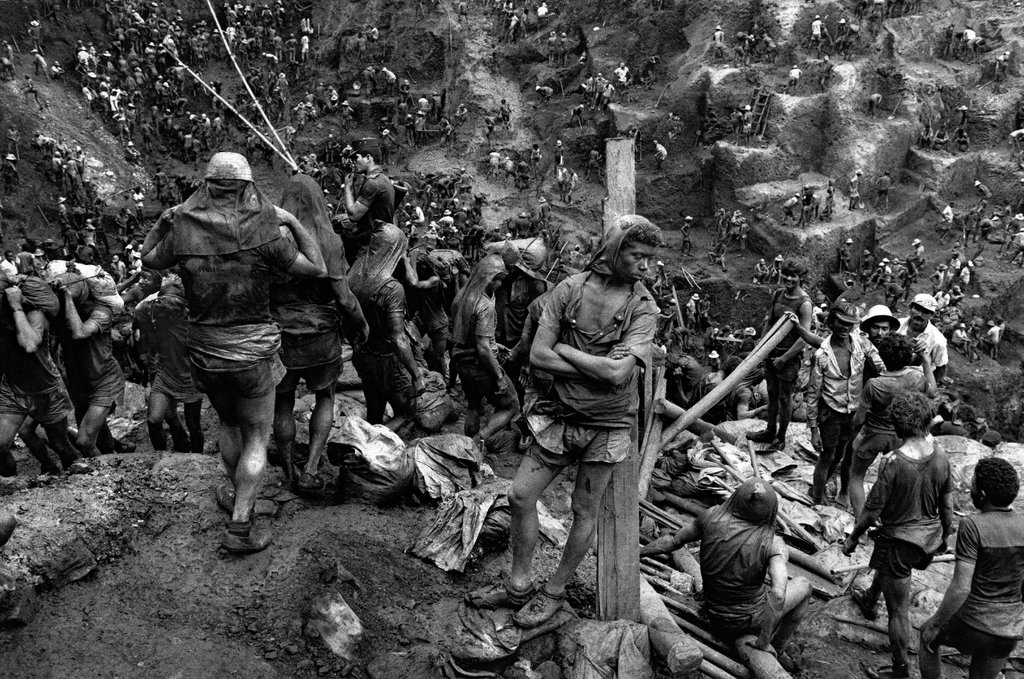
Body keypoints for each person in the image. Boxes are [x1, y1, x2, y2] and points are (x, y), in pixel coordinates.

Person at [466, 215, 660, 627]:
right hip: (559, 416)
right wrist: (593, 362)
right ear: (614, 251)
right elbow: (538, 356)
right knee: (520, 496)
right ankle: (518, 586)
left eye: (650, 258)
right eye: (637, 255)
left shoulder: (643, 308)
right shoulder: (569, 290)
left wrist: (566, 352)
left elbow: (618, 375)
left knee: (583, 509)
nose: (646, 266)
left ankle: (553, 591)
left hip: (607, 426)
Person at [142, 152, 328, 554]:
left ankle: (236, 493)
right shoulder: (265, 235)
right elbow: (317, 267)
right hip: (252, 352)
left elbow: (148, 258)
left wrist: (164, 221)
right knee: (258, 436)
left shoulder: (184, 233)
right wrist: (293, 221)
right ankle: (241, 525)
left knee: (228, 426)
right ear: (247, 188)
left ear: (206, 187)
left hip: (205, 351)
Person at [843, 391, 954, 679]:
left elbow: (871, 510)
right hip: (927, 539)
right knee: (893, 572)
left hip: (900, 542)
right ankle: (869, 598)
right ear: (927, 421)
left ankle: (900, 670)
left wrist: (854, 536)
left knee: (898, 611)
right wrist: (945, 534)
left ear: (896, 426)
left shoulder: (893, 462)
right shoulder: (941, 456)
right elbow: (947, 504)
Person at [641, 479, 812, 660]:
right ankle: (777, 647)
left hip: (713, 614)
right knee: (805, 585)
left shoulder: (711, 516)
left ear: (736, 498)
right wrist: (763, 641)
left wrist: (639, 552)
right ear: (771, 511)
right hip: (746, 623)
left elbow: (673, 541)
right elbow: (778, 594)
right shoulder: (774, 544)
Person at [271, 175, 368, 491]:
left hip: (281, 336)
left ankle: (287, 471)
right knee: (325, 396)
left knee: (282, 400)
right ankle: (311, 468)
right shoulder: (329, 240)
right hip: (322, 335)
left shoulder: (270, 239)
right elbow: (344, 298)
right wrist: (361, 323)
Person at [919, 457, 1024, 679]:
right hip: (1008, 630)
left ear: (983, 495)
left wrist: (935, 623)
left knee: (927, 638)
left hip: (973, 622)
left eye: (973, 486)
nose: (970, 491)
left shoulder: (972, 525)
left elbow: (961, 587)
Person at [0, 274, 85, 476]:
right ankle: (18, 487)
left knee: (60, 444)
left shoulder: (35, 315)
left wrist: (16, 307)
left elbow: (29, 344)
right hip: (13, 389)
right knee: (0, 446)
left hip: (47, 390)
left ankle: (80, 479)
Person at [849, 334, 937, 520]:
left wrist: (854, 433)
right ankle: (894, 517)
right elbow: (933, 392)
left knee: (856, 476)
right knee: (897, 479)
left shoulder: (874, 385)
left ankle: (861, 522)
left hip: (874, 434)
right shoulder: (917, 378)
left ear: (882, 357)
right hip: (901, 435)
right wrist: (926, 361)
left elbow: (859, 418)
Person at [805, 302, 885, 506]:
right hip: (831, 412)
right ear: (832, 322)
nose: (844, 328)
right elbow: (813, 394)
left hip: (854, 412)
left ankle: (832, 490)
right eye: (840, 323)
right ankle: (816, 498)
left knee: (845, 452)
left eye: (849, 324)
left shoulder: (862, 344)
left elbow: (881, 366)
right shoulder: (822, 355)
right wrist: (813, 429)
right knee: (827, 455)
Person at [348, 223, 423, 425]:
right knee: (407, 412)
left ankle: (366, 443)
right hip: (388, 359)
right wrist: (416, 375)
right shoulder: (392, 289)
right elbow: (398, 339)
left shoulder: (353, 273)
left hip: (363, 353)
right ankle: (373, 450)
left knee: (375, 408)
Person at [748, 259, 818, 451]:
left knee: (785, 398)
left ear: (801, 278)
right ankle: (769, 430)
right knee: (771, 393)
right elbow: (769, 322)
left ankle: (781, 436)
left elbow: (804, 338)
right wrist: (761, 347)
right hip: (771, 354)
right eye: (786, 274)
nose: (788, 278)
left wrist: (785, 358)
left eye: (793, 275)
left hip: (788, 359)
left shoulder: (804, 304)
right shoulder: (778, 294)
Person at [451, 254, 519, 446]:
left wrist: (496, 345)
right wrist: (498, 377)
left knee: (473, 405)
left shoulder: (461, 296)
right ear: (489, 278)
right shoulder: (485, 305)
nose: (499, 285)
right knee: (511, 405)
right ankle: (472, 444)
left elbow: (467, 332)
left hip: (461, 361)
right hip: (479, 365)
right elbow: (482, 348)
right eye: (497, 280)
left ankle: (467, 445)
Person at [134, 274, 205, 455]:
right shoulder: (155, 312)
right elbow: (139, 310)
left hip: (190, 376)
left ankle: (198, 460)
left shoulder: (192, 319)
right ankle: (161, 457)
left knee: (193, 425)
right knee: (153, 420)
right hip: (165, 373)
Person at [340, 145, 396, 248]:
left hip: (373, 239)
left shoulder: (372, 183)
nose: (352, 162)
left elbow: (353, 216)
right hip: (381, 233)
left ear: (368, 158)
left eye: (356, 158)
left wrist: (347, 186)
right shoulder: (383, 178)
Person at [898, 293, 949, 383]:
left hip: (917, 382)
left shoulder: (938, 340)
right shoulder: (898, 325)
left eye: (925, 312)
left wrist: (931, 388)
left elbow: (940, 367)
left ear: (932, 315)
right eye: (917, 309)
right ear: (910, 308)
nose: (920, 314)